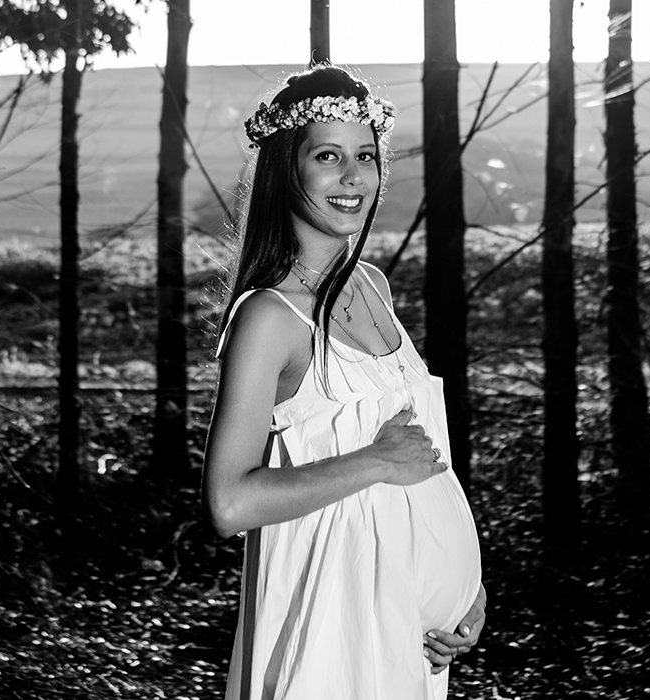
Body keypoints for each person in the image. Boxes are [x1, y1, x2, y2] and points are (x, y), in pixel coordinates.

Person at [202, 64, 486, 700]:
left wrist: (467, 594)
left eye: (366, 156)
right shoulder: (270, 317)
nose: (353, 176)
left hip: (413, 635)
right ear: (287, 169)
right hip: (336, 623)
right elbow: (228, 504)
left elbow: (425, 458)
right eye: (328, 156)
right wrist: (374, 461)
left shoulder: (373, 287)